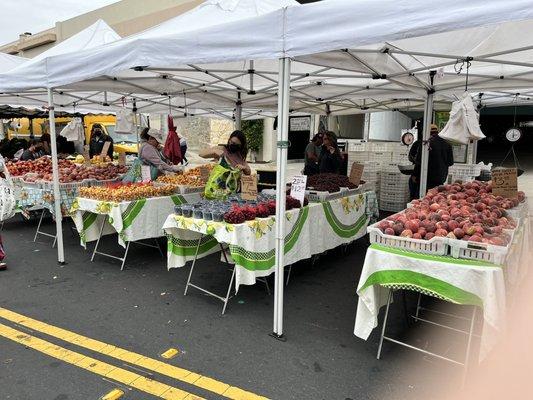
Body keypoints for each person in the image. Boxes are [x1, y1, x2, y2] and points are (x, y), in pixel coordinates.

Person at [414, 124, 454, 192]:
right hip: (440, 178)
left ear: (426, 132)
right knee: (436, 197)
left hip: (426, 178)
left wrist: (415, 174)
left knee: (424, 198)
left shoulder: (426, 144)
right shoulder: (447, 144)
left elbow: (419, 161)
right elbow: (450, 162)